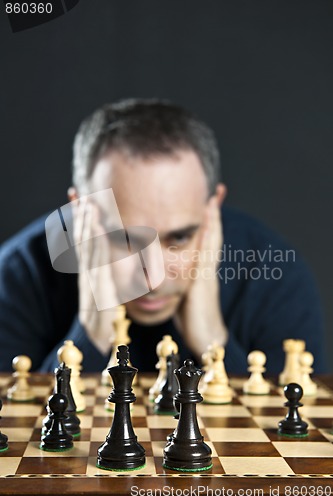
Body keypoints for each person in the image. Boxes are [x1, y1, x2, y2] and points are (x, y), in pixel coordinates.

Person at [0, 99, 326, 374]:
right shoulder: (15, 278)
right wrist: (90, 335)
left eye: (179, 238)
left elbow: (296, 440)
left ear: (212, 205)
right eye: (126, 240)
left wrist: (214, 343)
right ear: (79, 212)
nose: (153, 277)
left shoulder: (278, 280)